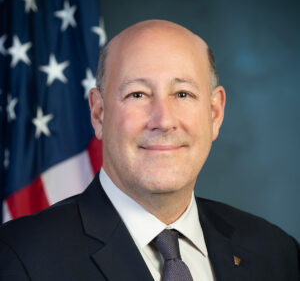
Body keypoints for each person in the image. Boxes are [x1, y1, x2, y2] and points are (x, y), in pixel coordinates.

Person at [0, 20, 299, 281]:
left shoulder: (276, 253)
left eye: (183, 93)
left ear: (215, 113)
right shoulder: (20, 257)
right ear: (99, 114)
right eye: (138, 94)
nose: (164, 121)